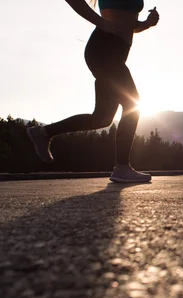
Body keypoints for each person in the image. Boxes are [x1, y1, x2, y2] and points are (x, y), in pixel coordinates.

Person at [26, 0, 159, 183]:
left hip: (113, 52)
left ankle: (44, 133)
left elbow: (126, 22)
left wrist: (146, 24)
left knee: (102, 117)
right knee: (133, 103)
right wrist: (101, 22)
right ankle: (122, 167)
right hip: (104, 49)